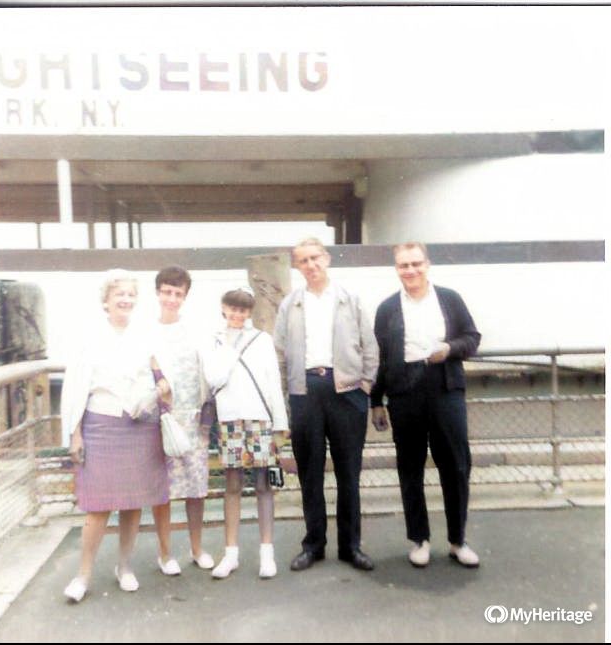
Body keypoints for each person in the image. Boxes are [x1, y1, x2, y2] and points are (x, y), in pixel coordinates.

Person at [370, 242, 481, 568]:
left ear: (427, 264)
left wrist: (449, 349)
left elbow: (472, 338)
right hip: (404, 394)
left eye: (416, 263)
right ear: (396, 269)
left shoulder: (449, 298)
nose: (411, 270)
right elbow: (380, 358)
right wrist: (376, 400)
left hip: (445, 389)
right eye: (404, 265)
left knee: (456, 465)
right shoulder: (387, 308)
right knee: (410, 468)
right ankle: (419, 540)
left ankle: (458, 540)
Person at [61, 269, 168, 602]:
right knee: (98, 508)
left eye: (131, 294)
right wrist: (75, 434)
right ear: (106, 300)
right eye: (119, 294)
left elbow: (161, 376)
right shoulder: (89, 337)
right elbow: (75, 388)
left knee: (133, 503)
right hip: (101, 425)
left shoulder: (145, 335)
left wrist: (158, 389)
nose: (126, 299)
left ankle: (124, 566)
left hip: (139, 425)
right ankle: (83, 574)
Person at [273, 238, 379, 572]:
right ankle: (314, 545)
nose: (310, 265)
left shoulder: (349, 300)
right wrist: (285, 398)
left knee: (349, 473)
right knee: (310, 473)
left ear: (327, 259)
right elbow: (279, 353)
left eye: (315, 258)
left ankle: (351, 547)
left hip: (346, 391)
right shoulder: (290, 305)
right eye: (303, 260)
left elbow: (370, 347)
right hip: (305, 391)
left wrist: (364, 387)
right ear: (297, 266)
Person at [202, 287, 288, 579]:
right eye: (232, 308)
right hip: (229, 419)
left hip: (260, 418)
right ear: (223, 308)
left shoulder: (262, 339)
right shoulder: (214, 340)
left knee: (264, 485)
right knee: (232, 485)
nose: (237, 314)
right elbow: (214, 378)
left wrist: (280, 424)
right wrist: (230, 345)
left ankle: (267, 553)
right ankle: (231, 554)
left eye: (243, 309)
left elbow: (273, 382)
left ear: (250, 312)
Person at [149, 266, 215, 575]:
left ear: (185, 297)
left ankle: (197, 548)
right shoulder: (146, 331)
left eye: (178, 293)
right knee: (163, 489)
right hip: (161, 419)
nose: (172, 298)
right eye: (167, 292)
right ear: (158, 292)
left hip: (194, 416)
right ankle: (165, 554)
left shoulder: (196, 330)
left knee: (196, 487)